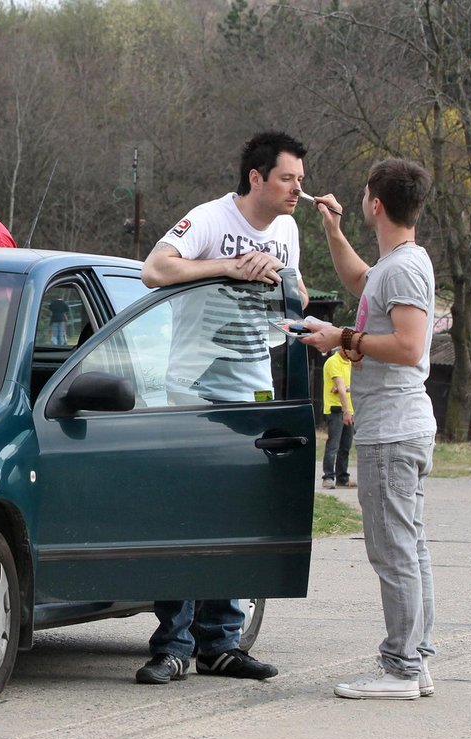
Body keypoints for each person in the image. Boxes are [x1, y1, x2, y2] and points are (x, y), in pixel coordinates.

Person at [132, 131, 312, 684]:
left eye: (301, 181)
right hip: (195, 390)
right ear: (256, 177)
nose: (296, 190)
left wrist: (279, 278)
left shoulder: (288, 229)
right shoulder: (209, 220)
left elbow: (298, 299)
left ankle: (222, 644)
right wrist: (229, 269)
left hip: (254, 389)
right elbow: (154, 270)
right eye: (287, 179)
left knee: (238, 520)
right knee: (186, 518)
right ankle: (172, 646)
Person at [300, 159, 437, 700]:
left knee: (394, 551)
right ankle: (418, 659)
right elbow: (361, 280)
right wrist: (333, 230)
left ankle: (400, 668)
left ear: (375, 203)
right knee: (410, 547)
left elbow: (408, 346)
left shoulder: (403, 269)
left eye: (361, 197)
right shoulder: (394, 265)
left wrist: (343, 338)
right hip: (400, 428)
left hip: (392, 431)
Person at [321, 346, 356, 490]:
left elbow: (349, 386)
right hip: (336, 409)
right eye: (349, 350)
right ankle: (328, 477)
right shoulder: (333, 362)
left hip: (351, 409)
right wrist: (345, 410)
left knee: (346, 446)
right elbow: (341, 388)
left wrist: (347, 388)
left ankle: (343, 477)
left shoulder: (350, 362)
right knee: (333, 444)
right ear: (342, 348)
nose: (352, 354)